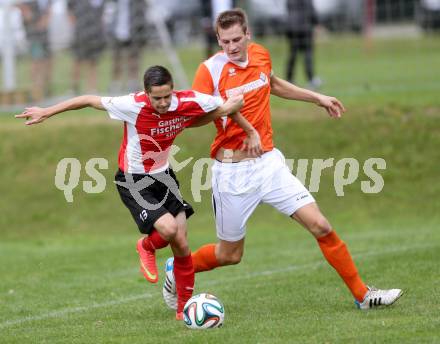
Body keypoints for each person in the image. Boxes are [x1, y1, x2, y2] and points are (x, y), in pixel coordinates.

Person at [162, 8, 403, 311]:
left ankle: (362, 295)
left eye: (237, 39)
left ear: (248, 34)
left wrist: (317, 98)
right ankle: (177, 268)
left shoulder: (261, 54)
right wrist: (227, 110)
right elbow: (190, 118)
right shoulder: (209, 70)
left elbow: (273, 84)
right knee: (230, 255)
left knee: (321, 226)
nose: (232, 47)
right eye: (225, 42)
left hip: (269, 165)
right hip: (232, 173)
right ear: (218, 40)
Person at [15, 65, 249, 320]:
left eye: (166, 96)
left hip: (164, 176)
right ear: (146, 93)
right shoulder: (132, 105)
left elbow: (218, 109)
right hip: (134, 179)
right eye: (156, 97)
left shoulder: (188, 100)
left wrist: (243, 122)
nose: (162, 103)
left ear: (173, 90)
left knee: (181, 243)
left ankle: (183, 310)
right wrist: (47, 112)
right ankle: (146, 246)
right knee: (169, 230)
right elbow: (88, 100)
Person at [108, 0, 148, 93]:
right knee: (117, 60)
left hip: (133, 31)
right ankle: (116, 83)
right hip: (117, 32)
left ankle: (133, 83)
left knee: (134, 59)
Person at [67, 0, 106, 94]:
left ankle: (91, 88)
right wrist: (76, 26)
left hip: (95, 34)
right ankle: (74, 88)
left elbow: (102, 15)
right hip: (80, 33)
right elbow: (69, 9)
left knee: (93, 62)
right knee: (77, 61)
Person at [19, 0, 52, 101]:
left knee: (46, 62)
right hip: (34, 36)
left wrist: (45, 20)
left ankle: (43, 89)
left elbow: (48, 11)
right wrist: (29, 16)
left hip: (44, 35)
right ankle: (36, 90)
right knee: (36, 62)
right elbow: (21, 7)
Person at [285, 0, 321, 90]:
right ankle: (311, 79)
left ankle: (289, 79)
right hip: (305, 28)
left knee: (292, 54)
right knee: (308, 54)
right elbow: (311, 10)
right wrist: (316, 23)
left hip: (291, 28)